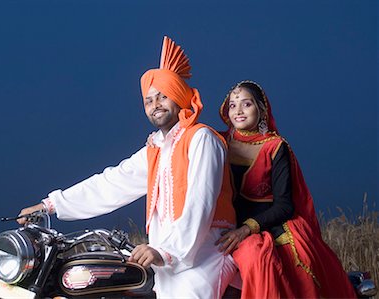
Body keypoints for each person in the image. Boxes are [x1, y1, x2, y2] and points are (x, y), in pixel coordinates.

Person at [18, 36, 238, 299]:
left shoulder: (202, 138)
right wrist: (50, 206)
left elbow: (199, 203)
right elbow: (112, 182)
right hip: (165, 257)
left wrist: (166, 250)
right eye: (148, 100)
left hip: (203, 255)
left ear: (179, 97)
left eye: (162, 96)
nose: (155, 104)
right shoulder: (156, 148)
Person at [216, 80, 357, 298]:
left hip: (265, 224)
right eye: (233, 105)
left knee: (262, 258)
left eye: (247, 104)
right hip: (223, 222)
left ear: (261, 110)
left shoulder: (275, 146)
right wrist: (159, 141)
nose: (239, 111)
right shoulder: (217, 141)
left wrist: (246, 229)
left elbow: (285, 205)